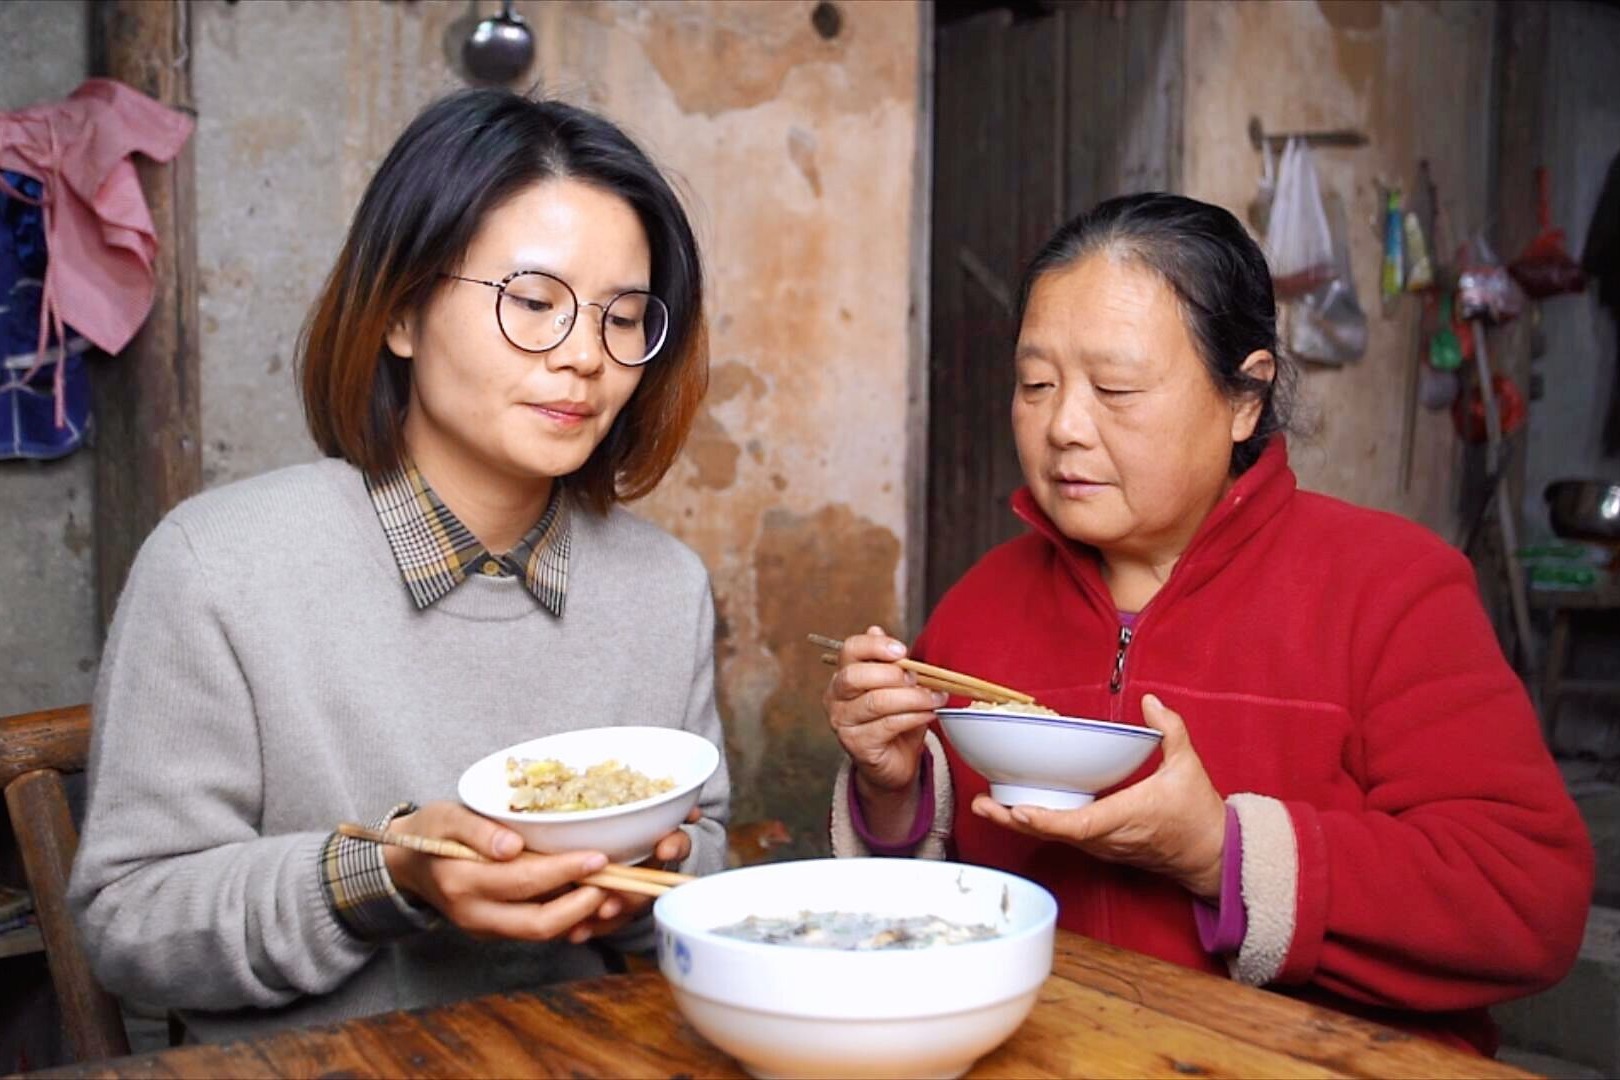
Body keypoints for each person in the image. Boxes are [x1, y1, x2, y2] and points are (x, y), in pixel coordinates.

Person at [825, 192, 1592, 1053]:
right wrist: (893, 794)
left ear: (1245, 398)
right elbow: (926, 925)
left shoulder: (1392, 591)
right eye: (1036, 385)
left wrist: (1219, 852)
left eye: (1115, 388)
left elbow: (1528, 902)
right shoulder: (979, 605)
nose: (1064, 427)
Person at [68, 89, 729, 1041]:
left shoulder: (663, 588)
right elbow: (131, 922)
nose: (586, 355)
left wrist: (650, 882)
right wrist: (387, 872)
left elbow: (703, 855)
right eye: (535, 302)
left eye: (624, 318)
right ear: (402, 312)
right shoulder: (219, 567)